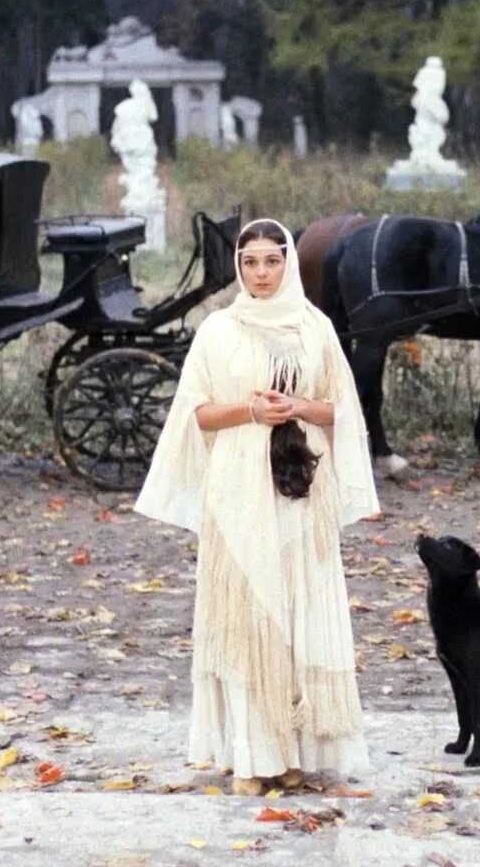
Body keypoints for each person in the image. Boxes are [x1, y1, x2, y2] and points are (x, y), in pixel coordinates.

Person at [135, 219, 380, 796]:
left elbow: (342, 410)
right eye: (251, 263)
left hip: (300, 489)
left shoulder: (314, 328)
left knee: (296, 619)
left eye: (272, 261)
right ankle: (253, 755)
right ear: (240, 268)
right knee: (249, 618)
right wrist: (249, 410)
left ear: (289, 263)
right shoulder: (218, 331)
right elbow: (195, 414)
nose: (262, 274)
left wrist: (296, 404)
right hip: (238, 493)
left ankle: (293, 753)